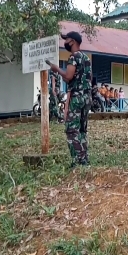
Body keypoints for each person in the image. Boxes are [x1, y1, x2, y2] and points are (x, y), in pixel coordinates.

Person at [46, 31, 92, 168]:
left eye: (67, 40)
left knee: (72, 130)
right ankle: (84, 159)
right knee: (82, 129)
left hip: (76, 97)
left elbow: (68, 76)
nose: (65, 43)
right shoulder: (86, 58)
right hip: (87, 97)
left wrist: (56, 68)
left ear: (72, 41)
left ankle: (77, 161)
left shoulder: (73, 58)